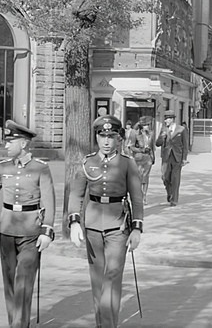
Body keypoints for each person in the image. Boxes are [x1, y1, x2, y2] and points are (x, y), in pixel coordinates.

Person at [0, 120, 56, 328]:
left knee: (24, 282)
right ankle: (16, 323)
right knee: (10, 283)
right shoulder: (2, 168)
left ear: (24, 143)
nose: (6, 146)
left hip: (31, 231)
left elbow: (49, 201)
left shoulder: (40, 169)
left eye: (11, 141)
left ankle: (19, 325)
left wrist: (47, 230)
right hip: (7, 228)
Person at [68, 115, 144, 328]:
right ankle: (102, 323)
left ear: (118, 138)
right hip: (92, 225)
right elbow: (76, 194)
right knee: (98, 280)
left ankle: (108, 325)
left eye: (111, 136)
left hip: (118, 227)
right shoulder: (87, 162)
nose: (106, 141)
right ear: (96, 137)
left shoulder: (127, 164)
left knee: (112, 276)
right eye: (102, 136)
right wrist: (74, 222)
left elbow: (136, 198)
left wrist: (137, 229)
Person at [155, 109, 189, 206]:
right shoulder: (163, 129)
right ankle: (169, 193)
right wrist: (162, 137)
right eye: (165, 119)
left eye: (167, 119)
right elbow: (157, 144)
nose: (166, 121)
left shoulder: (181, 129)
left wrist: (184, 158)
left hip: (177, 157)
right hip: (166, 157)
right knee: (165, 177)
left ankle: (174, 199)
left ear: (172, 119)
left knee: (175, 178)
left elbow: (185, 145)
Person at [127, 119, 154, 204]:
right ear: (142, 125)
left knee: (145, 177)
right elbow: (131, 146)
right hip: (138, 158)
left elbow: (152, 146)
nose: (148, 127)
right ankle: (139, 195)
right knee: (138, 177)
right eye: (146, 125)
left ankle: (144, 196)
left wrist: (153, 157)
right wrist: (141, 150)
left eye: (149, 125)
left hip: (148, 158)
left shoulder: (150, 134)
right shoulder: (135, 133)